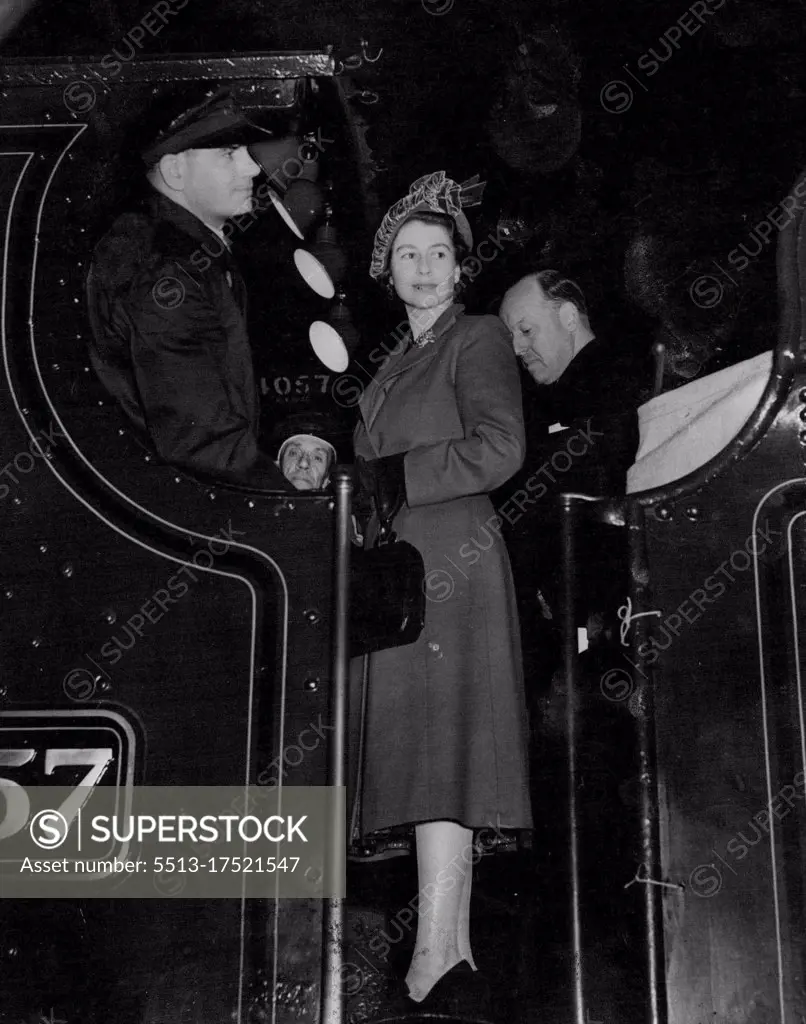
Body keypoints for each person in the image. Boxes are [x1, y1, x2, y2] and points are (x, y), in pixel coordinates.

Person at [352, 171, 532, 1011]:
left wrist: (394, 477)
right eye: (408, 256)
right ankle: (448, 951)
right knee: (433, 758)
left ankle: (431, 954)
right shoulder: (396, 358)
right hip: (407, 573)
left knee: (443, 755)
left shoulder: (479, 337)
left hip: (451, 566)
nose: (424, 269)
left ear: (461, 268)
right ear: (386, 270)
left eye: (439, 255)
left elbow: (500, 450)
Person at [86, 87, 290, 489]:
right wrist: (296, 506)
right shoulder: (170, 272)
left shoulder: (189, 255)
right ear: (175, 170)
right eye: (229, 153)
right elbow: (200, 442)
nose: (251, 168)